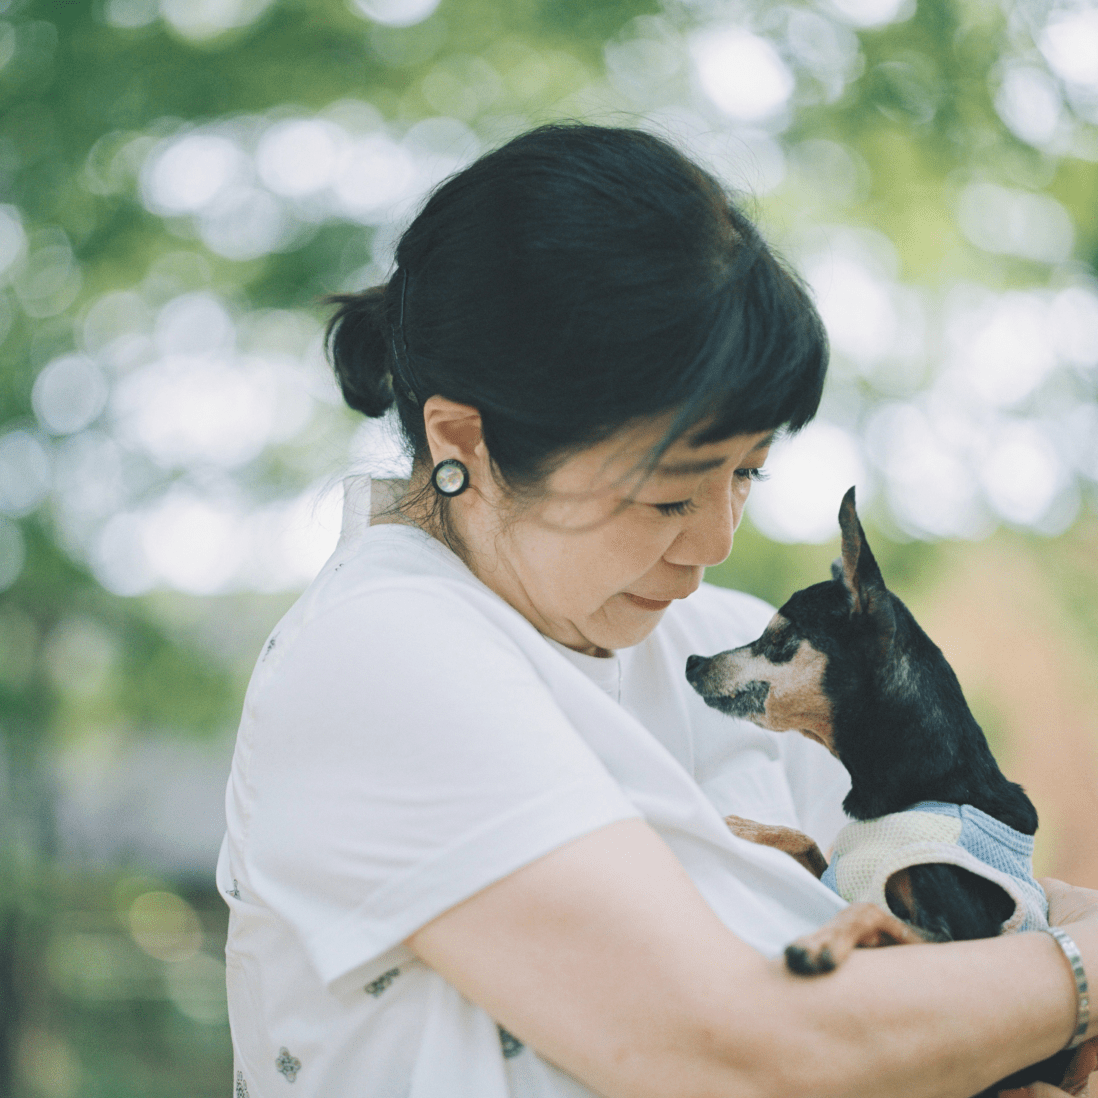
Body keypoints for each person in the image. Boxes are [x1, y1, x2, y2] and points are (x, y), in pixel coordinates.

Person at [216, 123, 1098, 1098]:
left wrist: (1031, 981)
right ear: (464, 441)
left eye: (748, 473)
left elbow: (936, 926)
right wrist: (1075, 977)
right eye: (670, 495)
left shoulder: (723, 639)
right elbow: (738, 1052)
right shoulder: (385, 656)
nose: (715, 540)